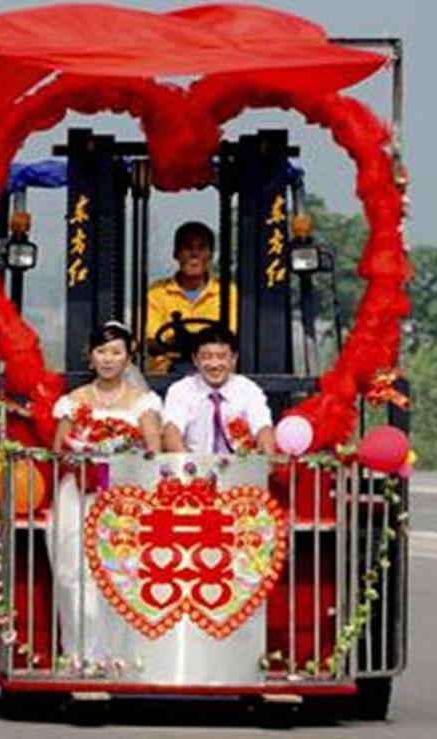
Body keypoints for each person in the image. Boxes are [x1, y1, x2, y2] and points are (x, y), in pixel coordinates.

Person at [47, 321, 163, 663]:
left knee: (122, 572)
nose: (108, 359)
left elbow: (153, 451)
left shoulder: (143, 402)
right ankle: (80, 653)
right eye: (101, 351)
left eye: (116, 352)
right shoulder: (74, 401)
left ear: (128, 357)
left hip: (124, 499)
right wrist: (82, 455)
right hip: (79, 494)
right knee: (73, 572)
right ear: (90, 356)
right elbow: (59, 449)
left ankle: (119, 655)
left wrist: (122, 456)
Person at [161, 325, 277, 454]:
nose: (214, 364)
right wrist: (189, 464)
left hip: (241, 463)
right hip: (194, 462)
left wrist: (266, 454)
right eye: (206, 357)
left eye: (221, 357)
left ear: (234, 359)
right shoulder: (180, 390)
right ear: (195, 360)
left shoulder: (248, 389)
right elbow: (171, 431)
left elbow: (263, 428)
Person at [144, 221, 238, 373]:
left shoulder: (228, 293)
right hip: (166, 376)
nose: (194, 254)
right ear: (176, 253)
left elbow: (232, 336)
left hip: (216, 372)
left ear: (211, 255)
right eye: (187, 248)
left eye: (201, 248)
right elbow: (151, 339)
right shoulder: (156, 293)